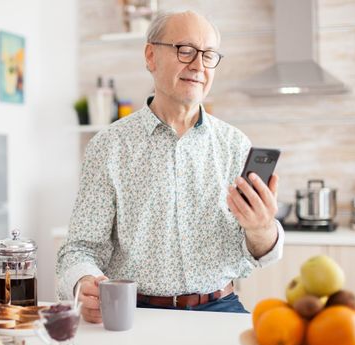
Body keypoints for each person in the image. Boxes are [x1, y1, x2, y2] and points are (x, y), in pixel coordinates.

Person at [56, 10, 284, 323]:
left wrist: (261, 227)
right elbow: (80, 249)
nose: (198, 66)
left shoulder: (235, 146)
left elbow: (262, 253)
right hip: (134, 311)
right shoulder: (109, 146)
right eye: (185, 50)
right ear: (151, 56)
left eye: (208, 55)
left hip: (220, 308)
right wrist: (82, 282)